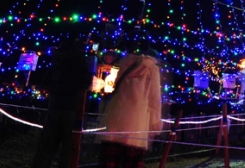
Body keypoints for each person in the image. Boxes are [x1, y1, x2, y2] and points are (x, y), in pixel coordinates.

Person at [31, 38, 93, 168]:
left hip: (55, 104)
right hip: (72, 106)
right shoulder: (80, 60)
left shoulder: (57, 60)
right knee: (69, 146)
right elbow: (86, 81)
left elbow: (46, 80)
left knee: (47, 144)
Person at [99, 43, 163, 168]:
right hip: (136, 124)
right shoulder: (152, 69)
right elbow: (154, 98)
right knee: (132, 161)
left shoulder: (124, 64)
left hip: (115, 118)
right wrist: (155, 123)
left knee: (111, 161)